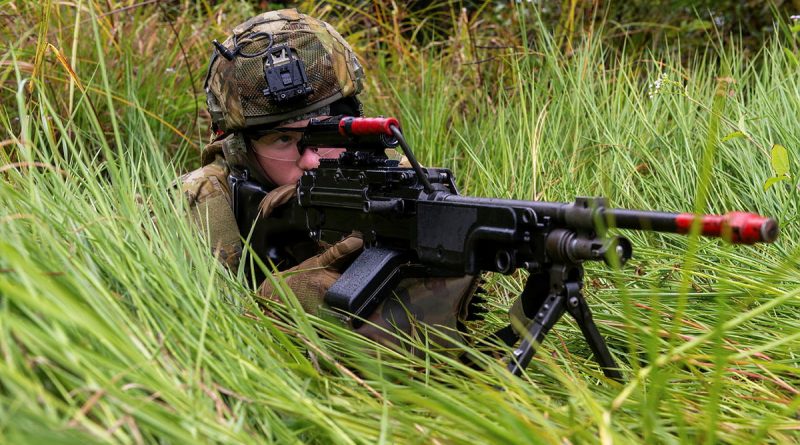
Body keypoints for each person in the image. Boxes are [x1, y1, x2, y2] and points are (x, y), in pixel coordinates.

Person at [180, 9, 480, 349]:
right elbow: (189, 342)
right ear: (241, 148)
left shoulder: (392, 189)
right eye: (284, 140)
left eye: (325, 135)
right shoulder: (202, 207)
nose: (310, 160)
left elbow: (435, 346)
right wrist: (272, 305)